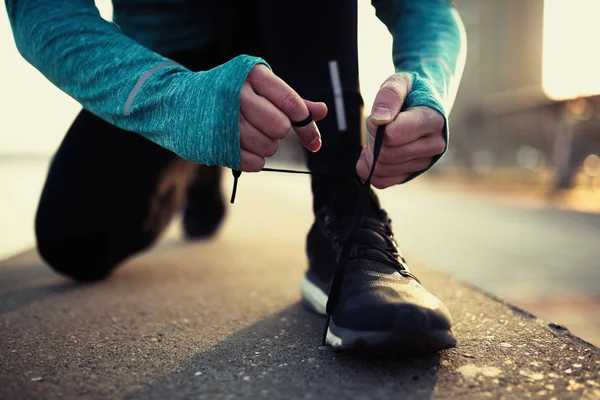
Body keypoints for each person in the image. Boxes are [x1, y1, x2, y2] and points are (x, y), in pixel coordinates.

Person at [6, 0, 466, 354]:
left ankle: (346, 213)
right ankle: (198, 170)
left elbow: (424, 8)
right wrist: (179, 101)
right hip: (166, 66)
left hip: (297, 49)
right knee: (74, 243)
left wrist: (427, 85)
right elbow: (44, 14)